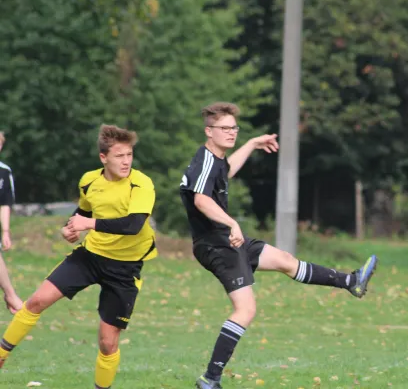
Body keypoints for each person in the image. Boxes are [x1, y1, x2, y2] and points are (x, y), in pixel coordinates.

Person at [179, 102, 378, 389]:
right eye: (225, 128)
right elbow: (201, 200)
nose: (231, 132)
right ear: (209, 131)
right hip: (217, 245)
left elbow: (227, 171)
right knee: (245, 310)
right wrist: (232, 223)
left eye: (234, 127)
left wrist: (251, 144)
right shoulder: (205, 160)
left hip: (227, 240)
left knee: (285, 260)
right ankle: (210, 379)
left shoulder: (216, 159)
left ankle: (351, 281)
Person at [0, 125, 158, 389]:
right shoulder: (89, 181)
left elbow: (133, 225)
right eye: (119, 156)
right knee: (37, 300)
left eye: (129, 154)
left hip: (124, 268)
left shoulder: (141, 183)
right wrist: (69, 227)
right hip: (90, 256)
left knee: (108, 343)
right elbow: (82, 212)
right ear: (103, 158)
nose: (126, 161)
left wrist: (90, 225)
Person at [0, 131, 22, 314]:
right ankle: (10, 294)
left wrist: (5, 231)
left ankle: (10, 294)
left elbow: (5, 204)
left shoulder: (4, 172)